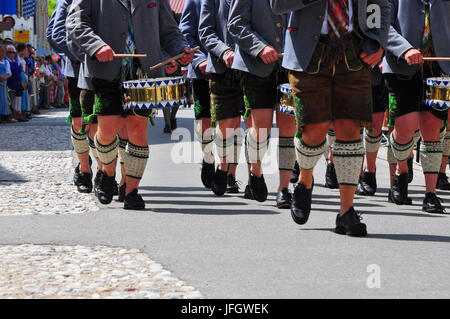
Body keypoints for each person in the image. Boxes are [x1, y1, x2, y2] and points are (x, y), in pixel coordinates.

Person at [271, 0, 390, 236]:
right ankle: (305, 181)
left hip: (353, 52)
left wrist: (378, 41)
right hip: (309, 52)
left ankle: (347, 211)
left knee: (350, 129)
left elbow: (379, 4)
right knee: (314, 129)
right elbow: (278, 5)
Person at [67, 0, 193, 210]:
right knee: (106, 131)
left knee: (138, 128)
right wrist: (96, 45)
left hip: (144, 71)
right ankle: (107, 173)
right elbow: (75, 24)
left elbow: (168, 30)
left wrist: (181, 48)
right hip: (105, 69)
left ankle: (132, 190)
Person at [383, 0, 450, 213]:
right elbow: (382, 25)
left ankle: (431, 193)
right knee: (405, 129)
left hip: (440, 64)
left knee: (432, 126)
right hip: (401, 64)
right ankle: (401, 172)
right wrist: (404, 48)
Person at [228, 0, 297, 207]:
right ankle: (255, 172)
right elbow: (235, 23)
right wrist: (260, 47)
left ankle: (283, 188)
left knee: (288, 127)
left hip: (292, 64)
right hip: (255, 65)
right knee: (261, 128)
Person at [199, 0, 251, 196]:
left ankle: (253, 175)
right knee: (227, 123)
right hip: (222, 67)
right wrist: (224, 51)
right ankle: (223, 168)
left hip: (253, 65)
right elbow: (205, 31)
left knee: (254, 124)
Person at [180, 0, 216, 189]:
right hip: (203, 70)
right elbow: (185, 33)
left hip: (235, 69)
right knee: (205, 118)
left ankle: (230, 171)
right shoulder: (194, 1)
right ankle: (208, 158)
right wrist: (199, 59)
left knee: (232, 120)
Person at [0, 44, 12, 123]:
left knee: (3, 99)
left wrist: (3, 78)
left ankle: (4, 115)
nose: (2, 53)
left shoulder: (6, 62)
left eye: (3, 51)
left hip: (3, 83)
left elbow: (9, 73)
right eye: (1, 51)